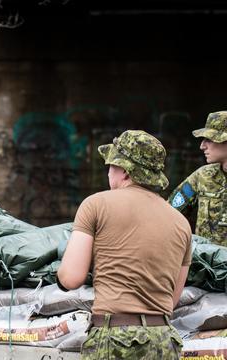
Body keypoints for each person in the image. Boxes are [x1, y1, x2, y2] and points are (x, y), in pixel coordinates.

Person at [57, 130, 191, 359]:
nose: (108, 172)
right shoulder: (181, 223)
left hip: (114, 340)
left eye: (111, 165)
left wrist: (59, 274)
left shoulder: (96, 204)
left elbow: (71, 278)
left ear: (125, 172)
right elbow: (171, 300)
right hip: (163, 341)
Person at [169, 111, 227, 245]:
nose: (202, 146)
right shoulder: (203, 176)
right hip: (206, 264)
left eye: (209, 139)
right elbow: (169, 213)